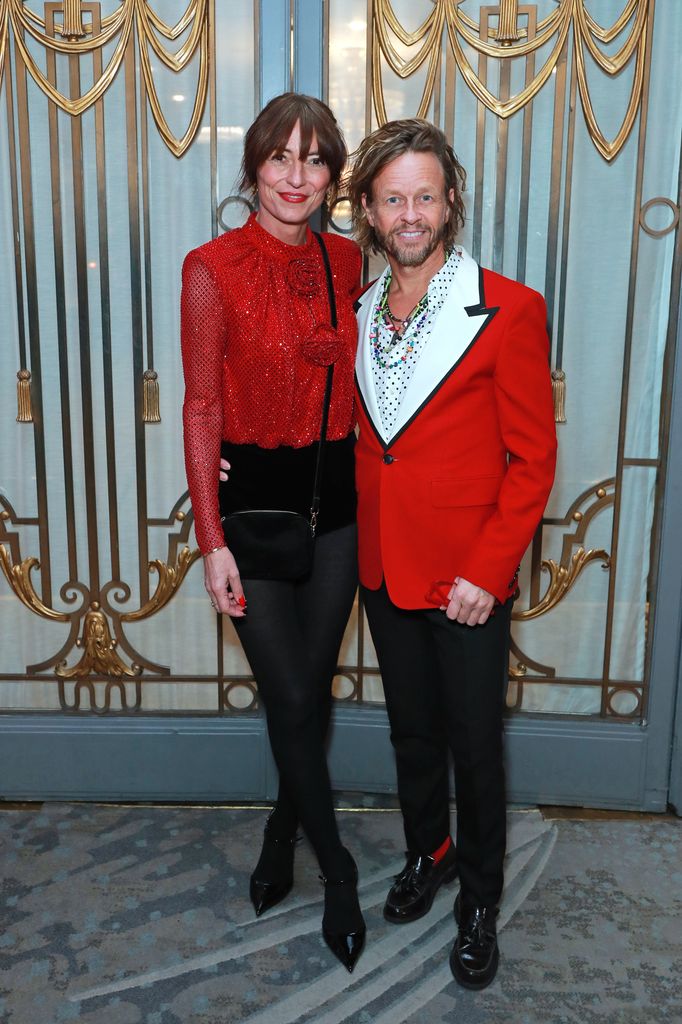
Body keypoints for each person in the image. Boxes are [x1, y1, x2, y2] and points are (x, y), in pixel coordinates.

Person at [347, 118, 557, 989]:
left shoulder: (508, 308)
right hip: (386, 565)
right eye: (392, 198)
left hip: (469, 576)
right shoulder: (359, 308)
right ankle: (427, 853)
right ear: (367, 209)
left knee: (476, 742)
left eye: (424, 196)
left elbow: (533, 459)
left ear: (451, 201)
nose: (410, 212)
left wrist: (489, 570)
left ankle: (478, 898)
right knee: (412, 733)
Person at [180, 93, 365, 972]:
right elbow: (202, 403)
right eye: (281, 157)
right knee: (292, 696)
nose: (297, 176)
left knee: (310, 691)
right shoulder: (210, 268)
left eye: (316, 159)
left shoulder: (350, 260)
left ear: (334, 174)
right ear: (253, 164)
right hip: (251, 514)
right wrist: (210, 537)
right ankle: (336, 871)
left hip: (337, 508)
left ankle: (279, 832)